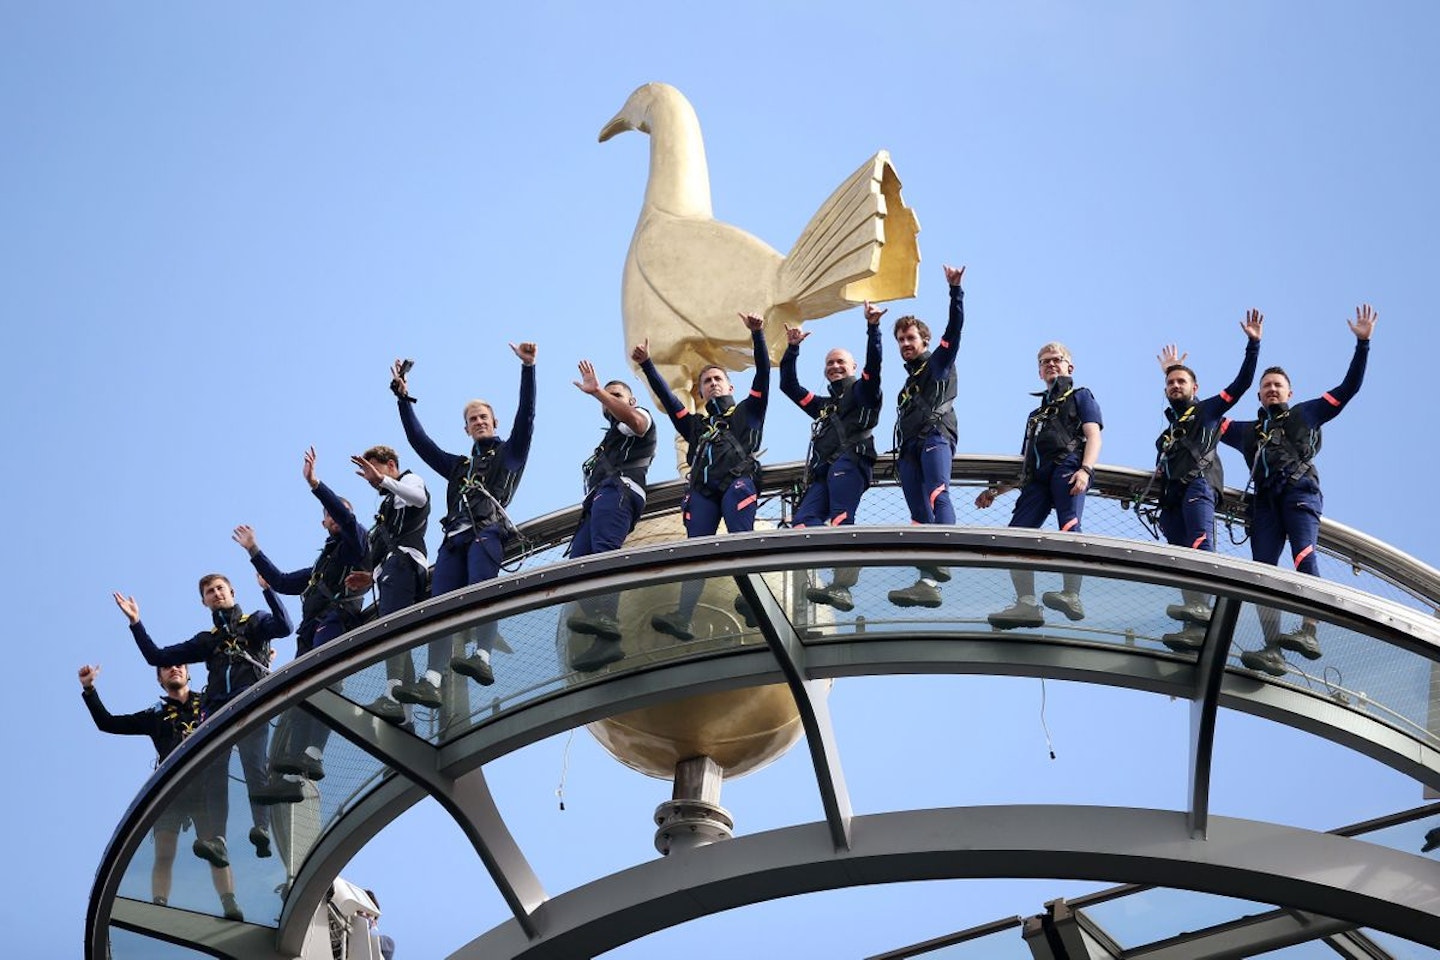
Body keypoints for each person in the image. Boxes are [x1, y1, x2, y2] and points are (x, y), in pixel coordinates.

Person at [1219, 304, 1376, 675]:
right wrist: (1251, 350)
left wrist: (1363, 344)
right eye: (1266, 387)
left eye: (1277, 386)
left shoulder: (1306, 414)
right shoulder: (1247, 432)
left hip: (1299, 494)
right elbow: (1207, 421)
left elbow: (1349, 388)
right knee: (1263, 575)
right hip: (1264, 507)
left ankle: (1309, 632)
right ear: (1259, 396)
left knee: (1304, 557)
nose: (1272, 390)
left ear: (1289, 391)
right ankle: (1271, 647)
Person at [114, 574, 294, 862]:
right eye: (210, 591)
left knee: (254, 766)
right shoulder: (208, 640)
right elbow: (156, 656)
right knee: (213, 772)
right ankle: (218, 839)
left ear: (231, 591)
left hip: (250, 699)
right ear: (204, 601)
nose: (216, 594)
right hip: (218, 710)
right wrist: (136, 623)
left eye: (220, 588)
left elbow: (285, 627)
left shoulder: (254, 622)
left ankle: (262, 828)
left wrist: (269, 591)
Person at [389, 344, 536, 696]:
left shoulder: (509, 454)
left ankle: (482, 656)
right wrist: (403, 400)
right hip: (453, 539)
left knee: (481, 590)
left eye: (484, 417)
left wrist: (528, 368)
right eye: (473, 420)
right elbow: (420, 443)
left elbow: (526, 419)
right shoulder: (458, 466)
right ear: (466, 429)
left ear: (494, 422)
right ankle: (432, 680)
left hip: (487, 531)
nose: (479, 422)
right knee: (441, 609)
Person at [232, 446, 369, 803]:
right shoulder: (319, 567)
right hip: (312, 627)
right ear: (323, 522)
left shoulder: (354, 543)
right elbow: (279, 580)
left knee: (323, 679)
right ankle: (297, 758)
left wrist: (315, 484)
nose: (334, 517)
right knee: (302, 691)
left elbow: (347, 518)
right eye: (328, 514)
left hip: (337, 619)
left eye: (338, 512)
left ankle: (313, 753)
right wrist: (254, 551)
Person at [636, 312, 769, 641]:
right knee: (696, 550)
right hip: (704, 491)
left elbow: (764, 376)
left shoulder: (746, 412)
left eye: (717, 380)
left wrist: (757, 335)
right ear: (701, 391)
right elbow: (670, 402)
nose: (711, 385)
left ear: (729, 385)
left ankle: (754, 601)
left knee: (741, 539)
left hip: (737, 483)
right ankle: (683, 617)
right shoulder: (697, 426)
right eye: (706, 382)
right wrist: (648, 365)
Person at [79, 662, 244, 921]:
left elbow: (242, 700)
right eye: (166, 668)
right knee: (164, 852)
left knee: (217, 850)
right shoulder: (156, 714)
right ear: (160, 680)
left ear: (189, 673)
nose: (174, 669)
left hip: (205, 787)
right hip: (172, 790)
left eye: (179, 665)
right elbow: (107, 722)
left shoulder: (211, 702)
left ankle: (230, 904)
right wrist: (89, 689)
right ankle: (159, 906)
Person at [1150, 310, 1264, 652]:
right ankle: (1193, 625)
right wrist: (1170, 369)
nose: (1174, 386)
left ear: (1195, 388)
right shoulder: (1167, 434)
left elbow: (1242, 384)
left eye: (1180, 382)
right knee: (1181, 559)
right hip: (1171, 498)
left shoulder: (1208, 411)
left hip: (1199, 486)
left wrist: (1253, 345)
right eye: (1170, 383)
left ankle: (1205, 612)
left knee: (1201, 547)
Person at [978, 341, 1103, 628]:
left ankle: (1071, 593)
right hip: (1038, 478)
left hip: (1068, 467)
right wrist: (997, 491)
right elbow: (1025, 464)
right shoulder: (1036, 416)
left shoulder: (1080, 396)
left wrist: (1085, 469)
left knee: (1069, 527)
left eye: (1056, 360)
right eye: (1044, 362)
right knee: (1015, 536)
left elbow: (1093, 436)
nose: (1050, 364)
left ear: (1069, 366)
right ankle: (1026, 604)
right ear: (1039, 372)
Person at [780, 300, 885, 612]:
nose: (835, 366)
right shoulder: (824, 405)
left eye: (840, 362)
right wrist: (792, 349)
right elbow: (789, 386)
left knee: (841, 519)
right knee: (802, 524)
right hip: (823, 472)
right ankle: (814, 582)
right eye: (829, 363)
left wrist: (873, 328)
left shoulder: (863, 391)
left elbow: (874, 367)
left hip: (851, 462)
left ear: (852, 368)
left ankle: (843, 587)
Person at [565, 359, 657, 672]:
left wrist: (597, 392)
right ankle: (605, 637)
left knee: (604, 553)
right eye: (608, 395)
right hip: (599, 500)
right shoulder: (608, 441)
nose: (610, 398)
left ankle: (607, 619)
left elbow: (635, 420)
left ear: (631, 400)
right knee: (577, 565)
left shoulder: (639, 418)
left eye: (617, 395)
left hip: (619, 493)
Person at [888, 264, 967, 608]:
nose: (906, 344)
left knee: (938, 494)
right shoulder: (906, 386)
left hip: (935, 436)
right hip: (909, 449)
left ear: (925, 340)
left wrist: (955, 291)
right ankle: (926, 581)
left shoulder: (938, 363)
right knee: (918, 513)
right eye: (901, 340)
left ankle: (944, 555)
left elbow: (955, 329)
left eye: (910, 338)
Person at [344, 444, 430, 722]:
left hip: (403, 562)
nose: (370, 479)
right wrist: (370, 578)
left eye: (374, 470)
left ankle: (393, 694)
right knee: (395, 632)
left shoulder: (408, 480)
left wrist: (383, 480)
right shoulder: (388, 502)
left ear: (391, 465)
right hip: (390, 571)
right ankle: (405, 712)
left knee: (391, 628)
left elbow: (419, 499)